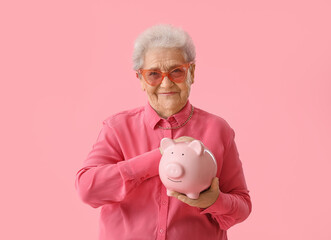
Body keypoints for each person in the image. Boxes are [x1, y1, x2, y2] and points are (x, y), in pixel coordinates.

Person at [75, 24, 252, 240]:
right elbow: (87, 189)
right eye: (153, 74)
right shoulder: (117, 128)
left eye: (177, 71)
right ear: (140, 79)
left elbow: (242, 205)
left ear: (192, 73)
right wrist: (159, 157)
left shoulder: (217, 129)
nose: (166, 82)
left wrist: (213, 201)